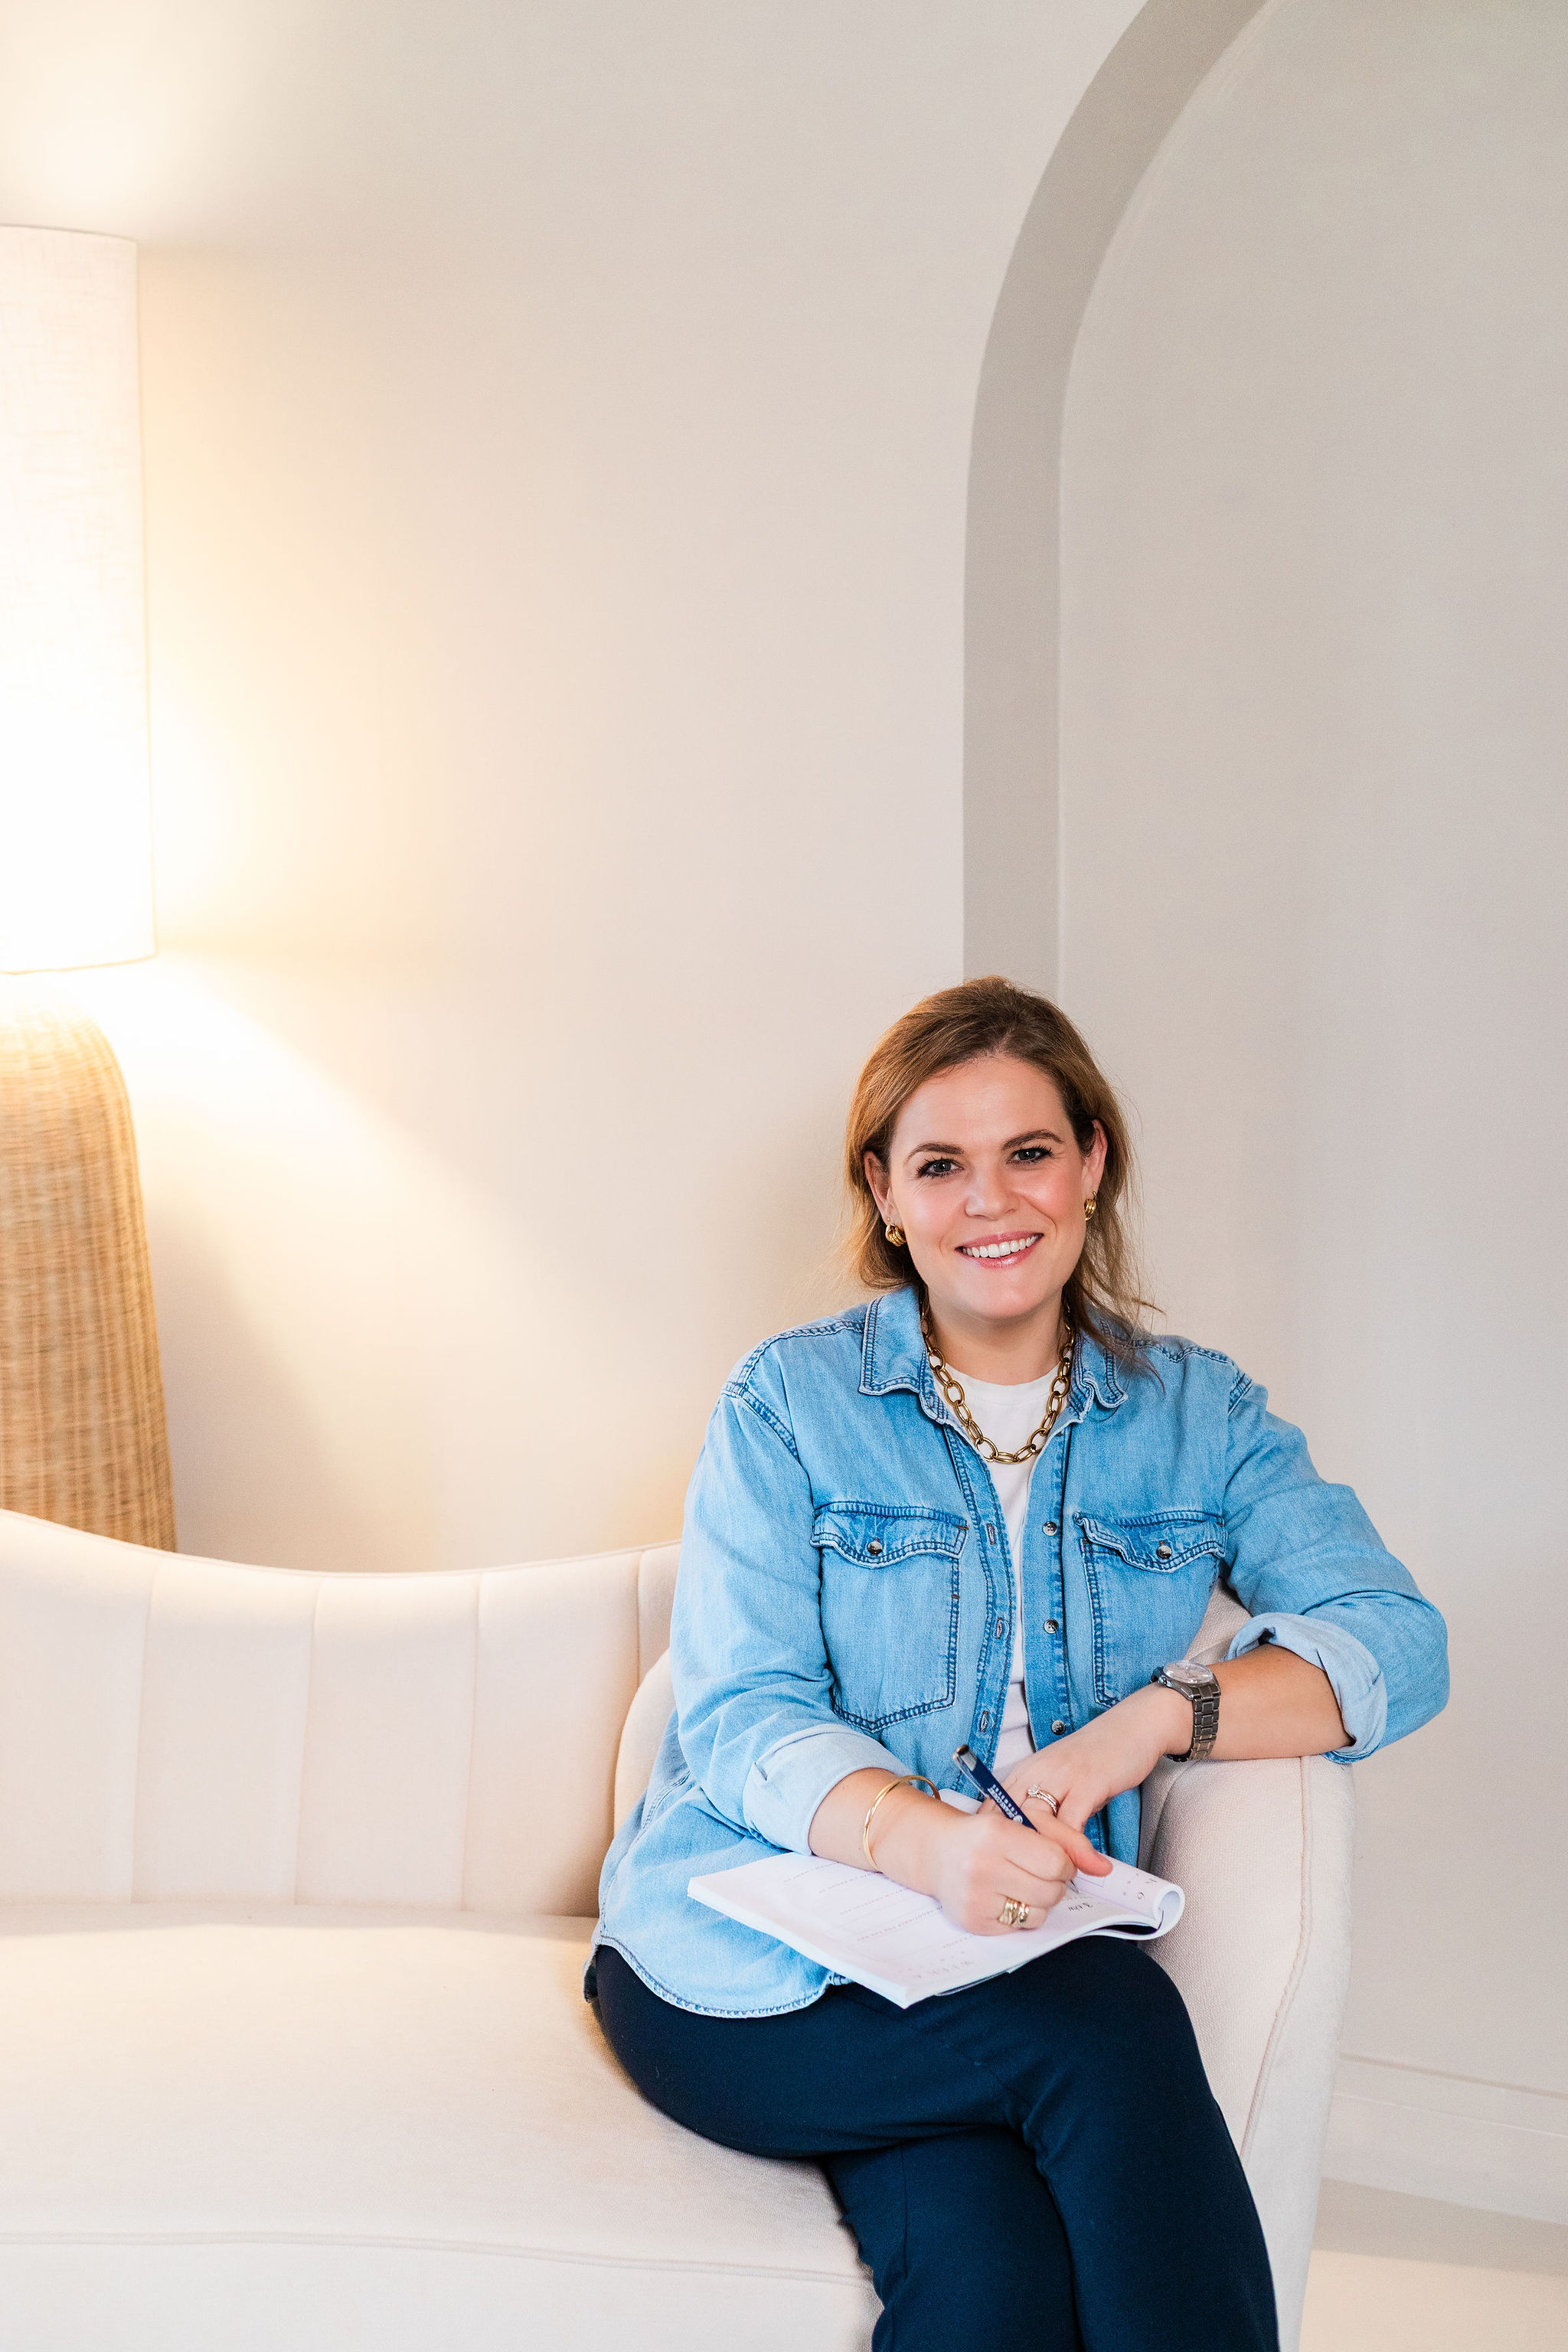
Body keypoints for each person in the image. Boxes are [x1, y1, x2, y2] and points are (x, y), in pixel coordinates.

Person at [590, 977, 1448, 2352]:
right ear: (884, 1192)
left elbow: (1395, 1637)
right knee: (1110, 2024)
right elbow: (744, 1713)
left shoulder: (1199, 1414)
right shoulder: (788, 1402)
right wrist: (930, 1845)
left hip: (1001, 1966)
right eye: (940, 1164)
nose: (990, 1201)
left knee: (993, 2284)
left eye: (1030, 1152)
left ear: (1092, 1163)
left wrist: (1152, 1722)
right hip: (747, 1966)